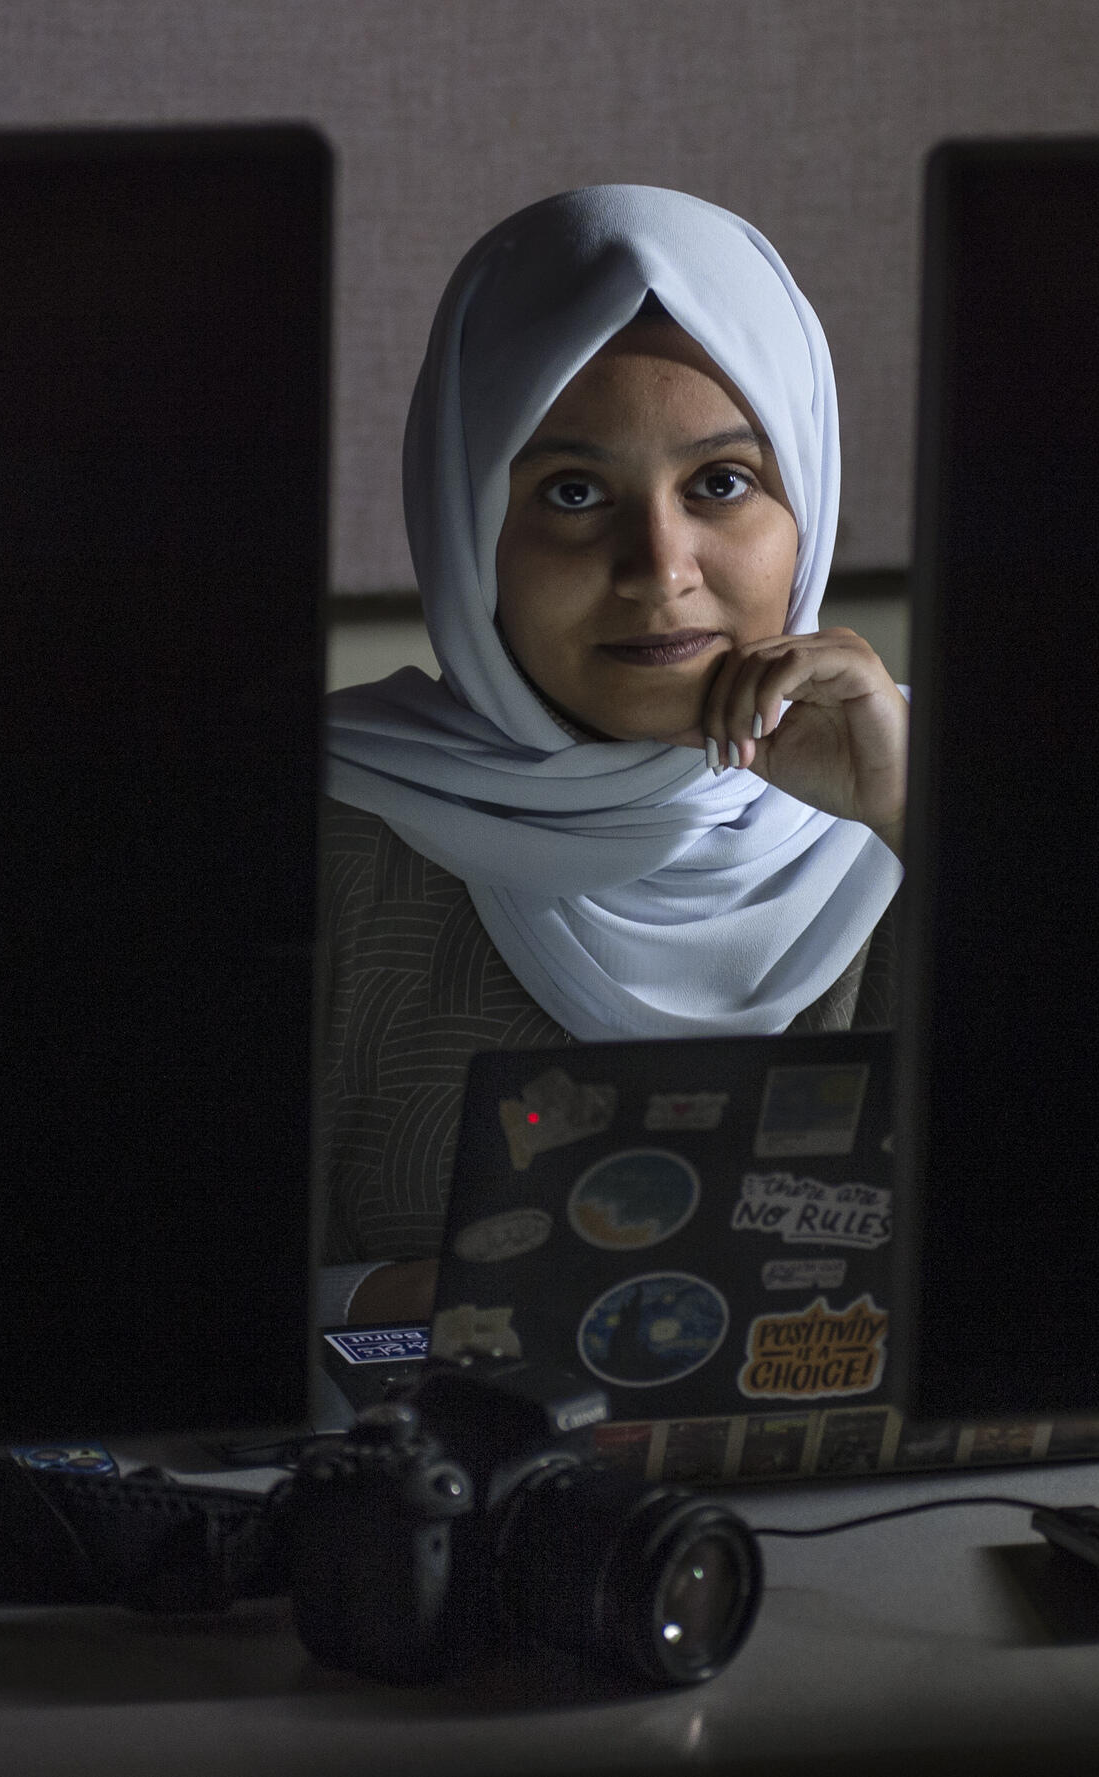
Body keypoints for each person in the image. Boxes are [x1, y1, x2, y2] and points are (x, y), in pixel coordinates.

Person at [319, 185, 908, 1328]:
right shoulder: (321, 839)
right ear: (466, 520)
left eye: (721, 484)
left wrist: (914, 816)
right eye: (572, 492)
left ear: (810, 504)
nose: (658, 565)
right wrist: (383, 1306)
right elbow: (93, 1295)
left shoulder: (925, 810)